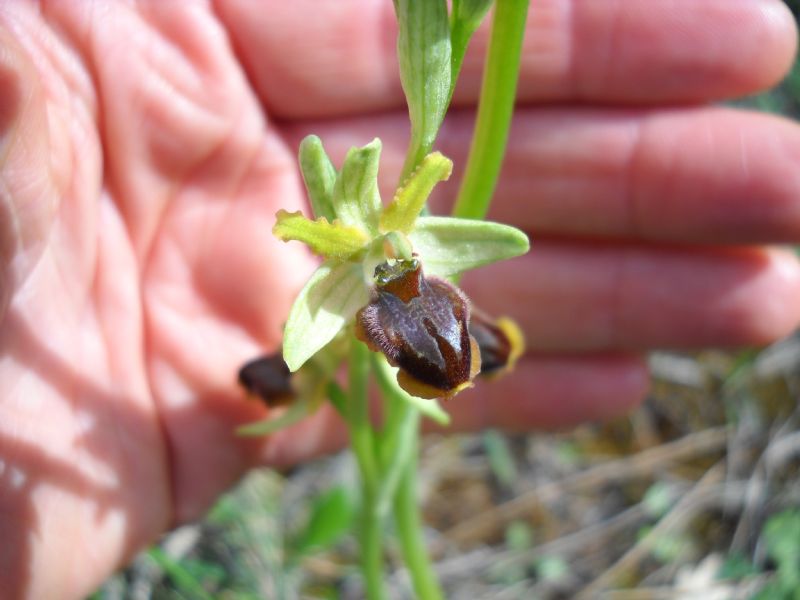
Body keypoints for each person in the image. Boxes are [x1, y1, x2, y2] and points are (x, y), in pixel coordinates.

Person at [1, 1, 799, 598]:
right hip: (356, 285)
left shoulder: (404, 246)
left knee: (453, 354)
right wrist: (311, 347)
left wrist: (384, 274)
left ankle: (445, 374)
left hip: (394, 259)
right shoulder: (346, 278)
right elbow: (309, 324)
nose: (393, 265)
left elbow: (483, 241)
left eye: (396, 254)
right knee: (374, 435)